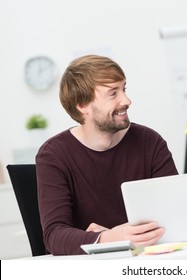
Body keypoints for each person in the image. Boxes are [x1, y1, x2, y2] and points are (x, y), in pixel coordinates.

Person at [36, 55, 178, 255]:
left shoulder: (149, 142)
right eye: (113, 94)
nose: (127, 101)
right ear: (82, 105)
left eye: (124, 89)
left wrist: (114, 236)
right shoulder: (53, 155)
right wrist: (107, 239)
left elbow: (177, 214)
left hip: (150, 261)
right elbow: (54, 236)